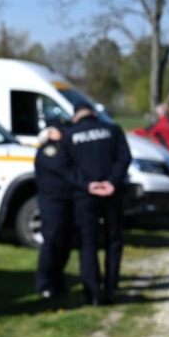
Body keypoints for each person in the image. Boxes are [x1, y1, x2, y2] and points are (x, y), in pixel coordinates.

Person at [58, 102, 132, 305]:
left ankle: (92, 294)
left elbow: (64, 167)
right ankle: (111, 289)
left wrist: (87, 185)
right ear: (93, 113)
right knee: (113, 241)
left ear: (76, 116)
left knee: (88, 243)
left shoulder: (70, 135)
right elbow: (124, 158)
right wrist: (111, 182)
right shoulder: (112, 129)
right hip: (111, 194)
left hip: (85, 196)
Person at [34, 117, 76, 299]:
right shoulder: (49, 150)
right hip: (52, 202)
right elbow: (62, 167)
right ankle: (45, 283)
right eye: (61, 130)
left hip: (66, 200)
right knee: (52, 242)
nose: (65, 134)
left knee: (64, 244)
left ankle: (58, 282)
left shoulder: (64, 148)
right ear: (50, 132)